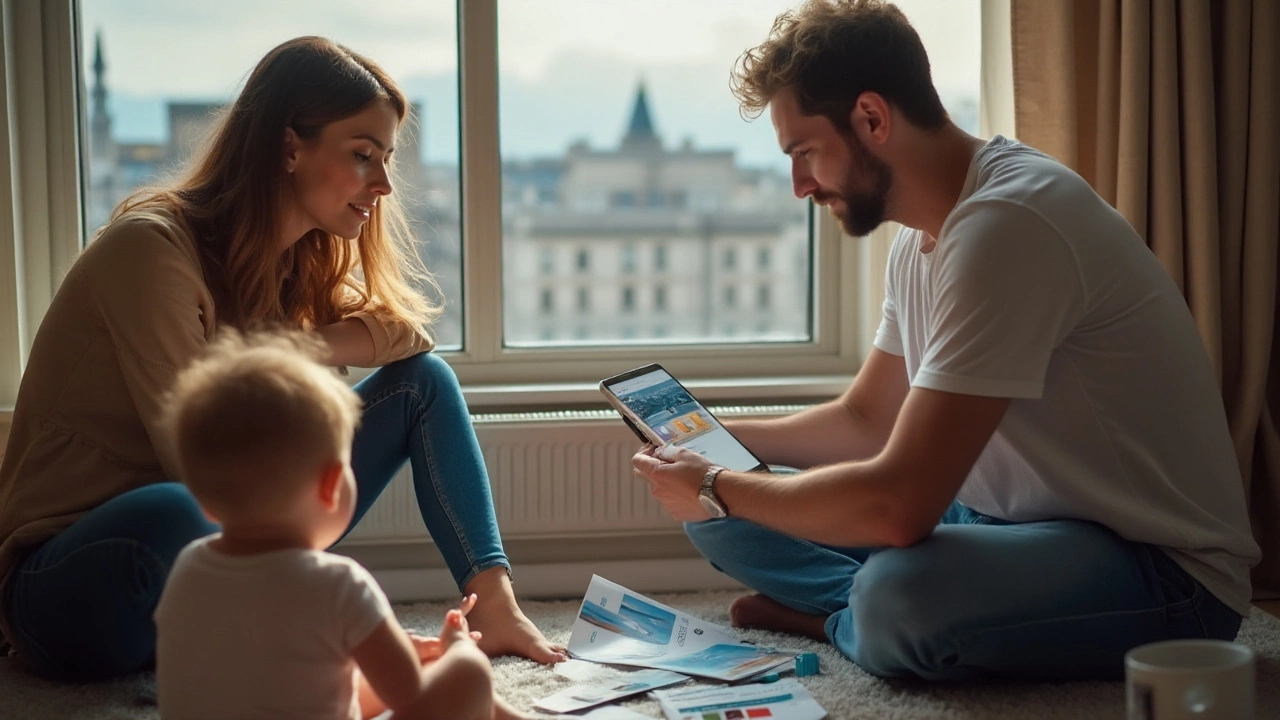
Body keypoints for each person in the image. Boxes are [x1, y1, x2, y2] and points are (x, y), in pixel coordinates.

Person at [632, 0, 1261, 681]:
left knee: (899, 594)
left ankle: (840, 619)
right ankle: (861, 614)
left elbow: (901, 508)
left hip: (1158, 569)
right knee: (719, 516)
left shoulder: (1010, 224)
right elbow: (867, 419)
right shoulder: (919, 240)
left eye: (806, 152)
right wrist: (720, 449)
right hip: (1006, 520)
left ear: (872, 118)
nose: (799, 185)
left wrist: (719, 482)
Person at [0, 36, 563, 681]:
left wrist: (282, 347)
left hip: (218, 565)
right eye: (361, 156)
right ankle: (277, 636)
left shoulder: (289, 261)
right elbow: (204, 468)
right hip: (72, 576)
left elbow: (408, 336)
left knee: (422, 385)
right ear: (289, 147)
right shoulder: (150, 253)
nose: (382, 184)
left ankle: (495, 607)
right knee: (184, 508)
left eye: (385, 160)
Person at [156, 331, 531, 720]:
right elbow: (410, 695)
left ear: (206, 504)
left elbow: (282, 674)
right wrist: (456, 647)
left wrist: (384, 649)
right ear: (333, 485)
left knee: (347, 680)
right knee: (467, 673)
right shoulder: (340, 585)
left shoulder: (186, 569)